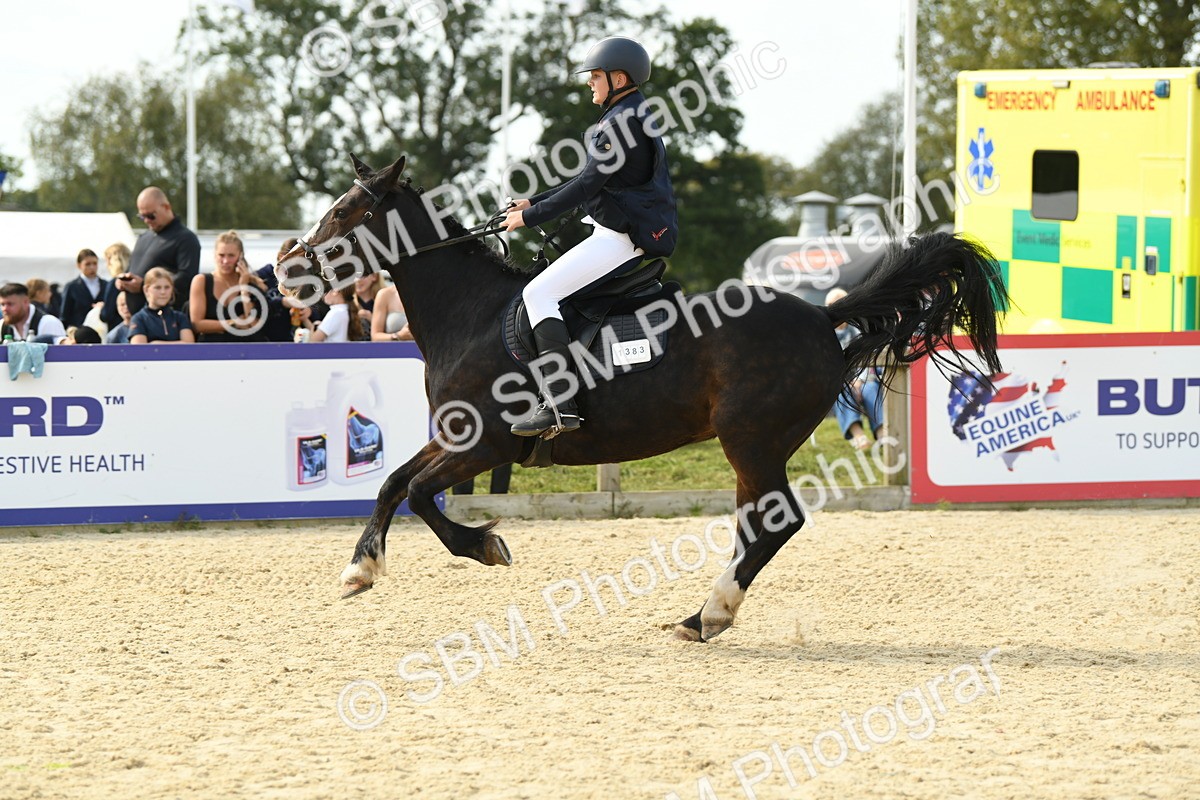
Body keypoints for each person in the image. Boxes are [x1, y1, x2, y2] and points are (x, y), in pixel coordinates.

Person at [500, 35, 677, 437]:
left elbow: (585, 187)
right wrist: (533, 202)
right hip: (615, 231)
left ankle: (560, 403)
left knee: (537, 295)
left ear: (619, 77)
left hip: (618, 237)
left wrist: (530, 218)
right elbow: (588, 180)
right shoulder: (630, 114)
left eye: (595, 76)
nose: (589, 83)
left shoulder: (620, 122)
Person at [102, 186, 200, 326]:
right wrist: (125, 281)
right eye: (142, 216)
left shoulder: (185, 238)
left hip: (165, 323)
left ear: (166, 207)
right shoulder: (144, 237)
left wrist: (143, 285)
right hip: (137, 320)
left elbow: (186, 280)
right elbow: (133, 268)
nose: (147, 220)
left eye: (150, 215)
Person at [825, 287, 886, 450]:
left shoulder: (858, 331)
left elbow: (868, 359)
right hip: (838, 382)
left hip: (862, 378)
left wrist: (859, 380)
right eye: (832, 304)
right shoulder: (824, 334)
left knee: (872, 388)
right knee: (842, 391)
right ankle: (858, 435)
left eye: (841, 303)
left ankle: (881, 434)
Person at [189, 230, 269, 342]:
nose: (225, 261)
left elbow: (254, 325)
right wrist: (234, 323)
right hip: (209, 350)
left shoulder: (251, 283)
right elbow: (197, 324)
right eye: (221, 255)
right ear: (214, 255)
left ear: (240, 256)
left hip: (243, 350)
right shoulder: (202, 281)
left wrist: (244, 288)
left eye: (231, 256)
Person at [129, 268, 195, 344]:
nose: (163, 292)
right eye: (158, 287)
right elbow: (139, 349)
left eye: (167, 287)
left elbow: (189, 345)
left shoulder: (180, 317)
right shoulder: (139, 319)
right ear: (146, 290)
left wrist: (155, 344)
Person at [296, 284, 365, 343]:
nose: (322, 294)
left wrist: (313, 327)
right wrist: (305, 320)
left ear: (335, 290)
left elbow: (313, 341)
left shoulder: (335, 313)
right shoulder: (344, 311)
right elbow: (320, 334)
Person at [1, 282, 67, 343]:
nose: (5, 309)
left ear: (26, 302)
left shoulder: (49, 323)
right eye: (2, 304)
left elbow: (61, 354)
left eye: (10, 304)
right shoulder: (2, 326)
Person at [60, 248, 109, 328]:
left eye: (95, 263)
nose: (92, 267)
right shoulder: (71, 287)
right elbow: (65, 315)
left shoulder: (106, 285)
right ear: (79, 265)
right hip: (79, 333)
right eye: (88, 264)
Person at [354, 272, 384, 338]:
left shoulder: (384, 301)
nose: (358, 280)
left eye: (363, 275)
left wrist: (372, 319)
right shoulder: (348, 303)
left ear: (374, 276)